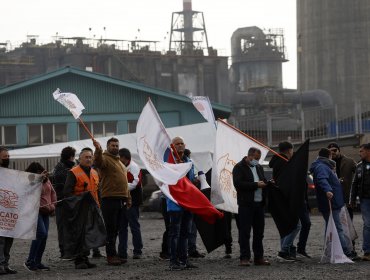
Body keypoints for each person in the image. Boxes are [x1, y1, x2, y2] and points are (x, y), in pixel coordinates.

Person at [310, 148, 357, 260]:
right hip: (331, 202)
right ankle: (346, 252)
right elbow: (322, 179)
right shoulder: (322, 166)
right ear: (329, 156)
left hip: (331, 202)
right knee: (338, 228)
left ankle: (329, 250)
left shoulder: (323, 165)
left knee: (330, 227)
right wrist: (328, 190)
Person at [93, 137, 131, 265]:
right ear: (108, 146)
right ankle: (111, 256)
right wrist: (97, 150)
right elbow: (98, 162)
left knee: (118, 229)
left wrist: (128, 197)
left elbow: (125, 183)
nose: (115, 147)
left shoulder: (120, 162)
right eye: (112, 145)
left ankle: (116, 254)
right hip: (109, 199)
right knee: (111, 229)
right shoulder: (105, 159)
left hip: (122, 199)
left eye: (116, 145)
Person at [233, 147, 270, 266]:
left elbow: (262, 180)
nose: (257, 161)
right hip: (246, 204)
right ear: (249, 156)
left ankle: (259, 257)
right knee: (245, 232)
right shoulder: (239, 167)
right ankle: (244, 258)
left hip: (259, 204)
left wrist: (268, 182)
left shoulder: (258, 167)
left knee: (259, 232)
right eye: (256, 158)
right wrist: (256, 185)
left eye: (258, 159)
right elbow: (238, 184)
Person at [63, 147, 99, 269]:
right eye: (86, 157)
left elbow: (96, 191)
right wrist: (80, 198)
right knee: (79, 234)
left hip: (92, 208)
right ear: (80, 159)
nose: (89, 159)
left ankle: (85, 258)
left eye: (90, 157)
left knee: (88, 234)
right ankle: (79, 260)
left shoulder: (94, 172)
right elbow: (67, 192)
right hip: (78, 209)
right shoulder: (73, 172)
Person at [269, 142, 304, 262]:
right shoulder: (284, 163)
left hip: (280, 198)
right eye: (292, 151)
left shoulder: (277, 162)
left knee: (285, 226)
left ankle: (286, 251)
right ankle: (284, 251)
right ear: (289, 150)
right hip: (286, 198)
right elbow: (288, 182)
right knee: (296, 225)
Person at [167, 136, 198, 270]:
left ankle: (184, 259)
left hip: (188, 202)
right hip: (175, 203)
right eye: (177, 144)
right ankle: (173, 261)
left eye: (181, 144)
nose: (180, 146)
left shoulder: (189, 161)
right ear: (172, 146)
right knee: (175, 233)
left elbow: (190, 181)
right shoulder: (168, 162)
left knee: (186, 233)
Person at [24, 162, 56, 272]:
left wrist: (53, 206)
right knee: (41, 233)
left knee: (44, 236)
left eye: (40, 172)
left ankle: (37, 261)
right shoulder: (29, 180)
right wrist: (38, 179)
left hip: (46, 211)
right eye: (37, 173)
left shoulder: (47, 180)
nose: (40, 174)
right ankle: (30, 261)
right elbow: (27, 191)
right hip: (35, 211)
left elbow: (52, 193)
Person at [118, 148, 144, 260]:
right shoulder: (122, 166)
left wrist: (119, 189)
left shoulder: (133, 167)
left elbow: (135, 183)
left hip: (132, 201)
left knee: (134, 226)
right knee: (122, 227)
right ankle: (122, 252)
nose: (119, 160)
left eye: (120, 158)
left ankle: (137, 250)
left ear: (125, 158)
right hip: (122, 200)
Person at [51, 146, 76, 259]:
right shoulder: (65, 170)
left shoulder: (58, 167)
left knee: (62, 228)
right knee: (66, 227)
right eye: (73, 157)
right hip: (64, 202)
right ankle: (67, 252)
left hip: (60, 202)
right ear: (71, 157)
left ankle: (65, 251)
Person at [350, 143, 370, 261]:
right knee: (367, 224)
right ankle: (367, 252)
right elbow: (354, 184)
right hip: (365, 200)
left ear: (368, 151)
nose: (359, 153)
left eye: (361, 151)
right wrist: (352, 199)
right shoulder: (359, 166)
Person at [327, 142, 356, 219]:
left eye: (334, 150)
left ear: (339, 150)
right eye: (330, 151)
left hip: (346, 193)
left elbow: (359, 172)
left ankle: (349, 231)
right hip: (334, 194)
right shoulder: (327, 164)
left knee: (349, 216)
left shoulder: (349, 161)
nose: (332, 152)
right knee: (336, 217)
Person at [0, 147, 17, 275]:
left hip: (9, 212)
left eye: (8, 156)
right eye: (4, 156)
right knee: (1, 240)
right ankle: (0, 265)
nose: (7, 158)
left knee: (9, 239)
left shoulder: (10, 172)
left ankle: (5, 264)